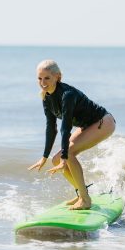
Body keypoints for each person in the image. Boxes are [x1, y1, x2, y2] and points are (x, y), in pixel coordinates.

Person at [28, 60, 116, 210]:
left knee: (68, 154)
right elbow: (51, 127)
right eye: (39, 78)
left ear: (58, 77)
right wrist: (44, 156)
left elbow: (65, 127)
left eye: (47, 78)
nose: (43, 82)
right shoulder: (46, 97)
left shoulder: (67, 95)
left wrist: (65, 157)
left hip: (103, 122)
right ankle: (81, 194)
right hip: (86, 126)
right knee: (56, 160)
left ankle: (85, 200)